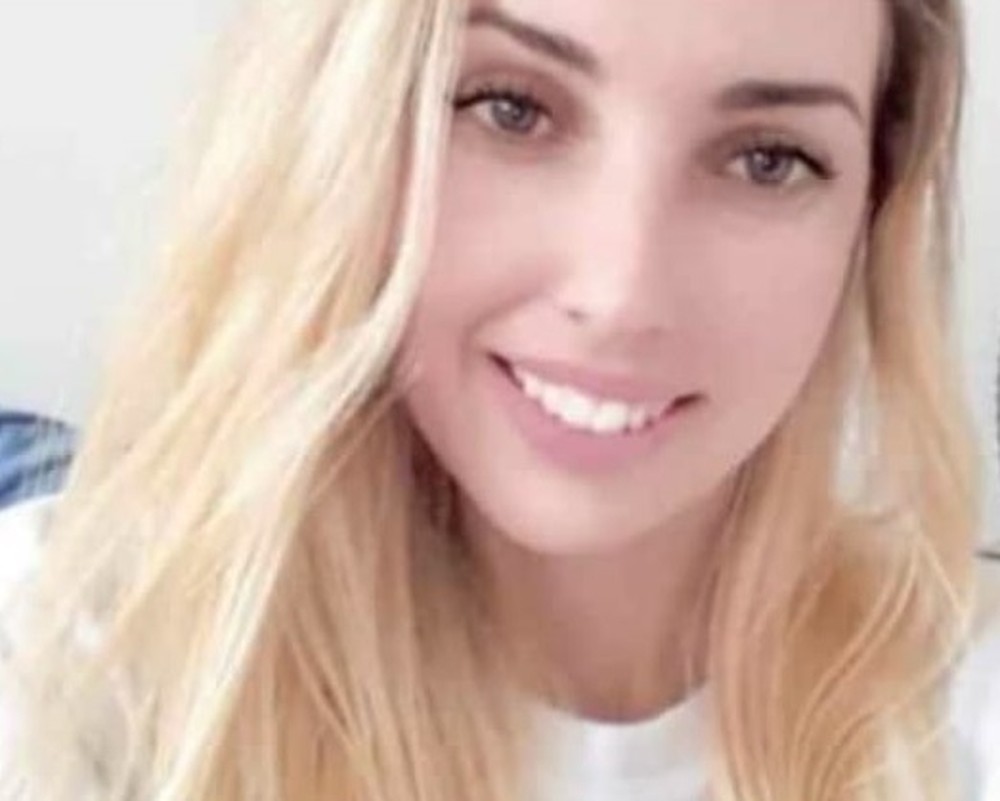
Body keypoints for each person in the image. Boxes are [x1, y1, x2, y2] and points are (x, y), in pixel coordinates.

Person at [1, 0, 997, 799]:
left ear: (870, 218)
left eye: (766, 159)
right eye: (510, 108)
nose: (620, 294)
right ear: (337, 120)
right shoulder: (74, 659)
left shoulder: (963, 708)